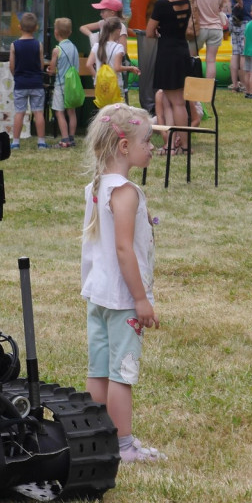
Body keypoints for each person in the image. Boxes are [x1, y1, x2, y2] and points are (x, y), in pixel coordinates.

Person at [81, 102, 166, 463]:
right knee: (122, 373)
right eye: (147, 140)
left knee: (98, 368)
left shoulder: (97, 186)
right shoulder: (126, 192)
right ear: (124, 147)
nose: (153, 147)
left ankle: (93, 437)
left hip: (98, 296)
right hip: (122, 299)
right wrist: (141, 299)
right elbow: (124, 249)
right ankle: (123, 445)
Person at [145, 0, 193, 153]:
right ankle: (175, 142)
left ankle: (184, 145)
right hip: (182, 51)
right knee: (177, 101)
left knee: (176, 103)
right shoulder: (186, 2)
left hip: (167, 53)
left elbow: (149, 32)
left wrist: (159, 30)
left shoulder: (162, 4)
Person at [9, 12, 47, 150]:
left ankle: (16, 142)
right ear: (36, 28)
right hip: (36, 83)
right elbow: (41, 65)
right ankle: (41, 142)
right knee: (38, 112)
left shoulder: (14, 45)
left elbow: (11, 66)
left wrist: (17, 76)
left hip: (20, 84)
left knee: (19, 112)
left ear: (19, 27)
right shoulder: (38, 44)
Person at [191, 0, 230, 80]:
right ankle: (209, 90)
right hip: (215, 28)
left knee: (192, 57)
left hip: (199, 28)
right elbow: (222, 9)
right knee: (211, 60)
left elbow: (192, 5)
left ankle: (192, 85)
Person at [48, 17, 80, 148]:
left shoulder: (57, 50)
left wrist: (50, 69)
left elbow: (52, 69)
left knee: (59, 112)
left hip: (61, 85)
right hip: (72, 85)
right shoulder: (74, 48)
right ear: (70, 32)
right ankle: (72, 138)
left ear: (56, 33)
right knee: (71, 112)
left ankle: (65, 139)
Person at [91, 16, 139, 100]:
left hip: (101, 84)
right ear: (117, 31)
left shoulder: (96, 46)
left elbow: (88, 64)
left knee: (104, 110)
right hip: (115, 84)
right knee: (118, 111)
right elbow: (117, 67)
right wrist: (131, 68)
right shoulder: (118, 47)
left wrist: (97, 77)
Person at [227, 0, 252, 92]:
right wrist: (241, 1)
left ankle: (235, 84)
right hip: (243, 20)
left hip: (236, 19)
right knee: (243, 53)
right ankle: (244, 84)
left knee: (236, 52)